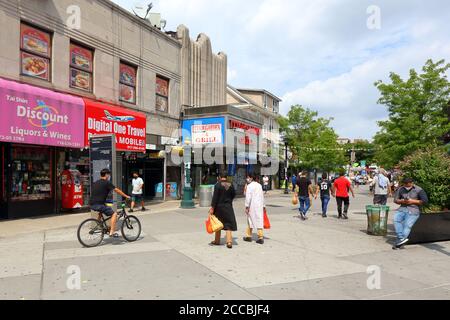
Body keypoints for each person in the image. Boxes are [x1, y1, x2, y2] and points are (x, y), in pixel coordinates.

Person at [90, 169, 130, 238]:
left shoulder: (96, 182)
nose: (109, 176)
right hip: (99, 204)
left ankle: (99, 224)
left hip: (92, 203)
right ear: (106, 175)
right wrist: (126, 196)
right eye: (109, 174)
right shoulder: (107, 182)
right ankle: (112, 232)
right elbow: (116, 190)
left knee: (102, 209)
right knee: (114, 214)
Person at [393, 177, 428, 249]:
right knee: (396, 219)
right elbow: (395, 200)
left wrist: (412, 201)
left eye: (407, 184)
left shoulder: (419, 189)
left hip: (413, 209)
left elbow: (425, 201)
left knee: (407, 225)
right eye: (405, 184)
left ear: (412, 183)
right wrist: (402, 201)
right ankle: (401, 239)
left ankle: (399, 242)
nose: (406, 186)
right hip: (402, 208)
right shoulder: (401, 189)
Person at [209, 172, 237, 249]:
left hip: (219, 207)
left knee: (218, 224)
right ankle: (229, 242)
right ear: (226, 177)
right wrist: (229, 201)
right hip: (228, 207)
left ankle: (217, 241)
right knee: (228, 224)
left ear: (219, 177)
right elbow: (234, 194)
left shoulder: (217, 185)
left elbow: (215, 197)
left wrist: (212, 207)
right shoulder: (230, 184)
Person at [243, 173, 266, 245]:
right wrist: (263, 206)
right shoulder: (259, 185)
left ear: (251, 178)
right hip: (259, 205)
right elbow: (262, 196)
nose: (247, 179)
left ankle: (249, 236)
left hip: (252, 206)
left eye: (248, 177)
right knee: (259, 220)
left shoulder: (249, 186)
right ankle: (260, 237)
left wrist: (247, 206)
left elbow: (248, 197)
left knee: (250, 220)